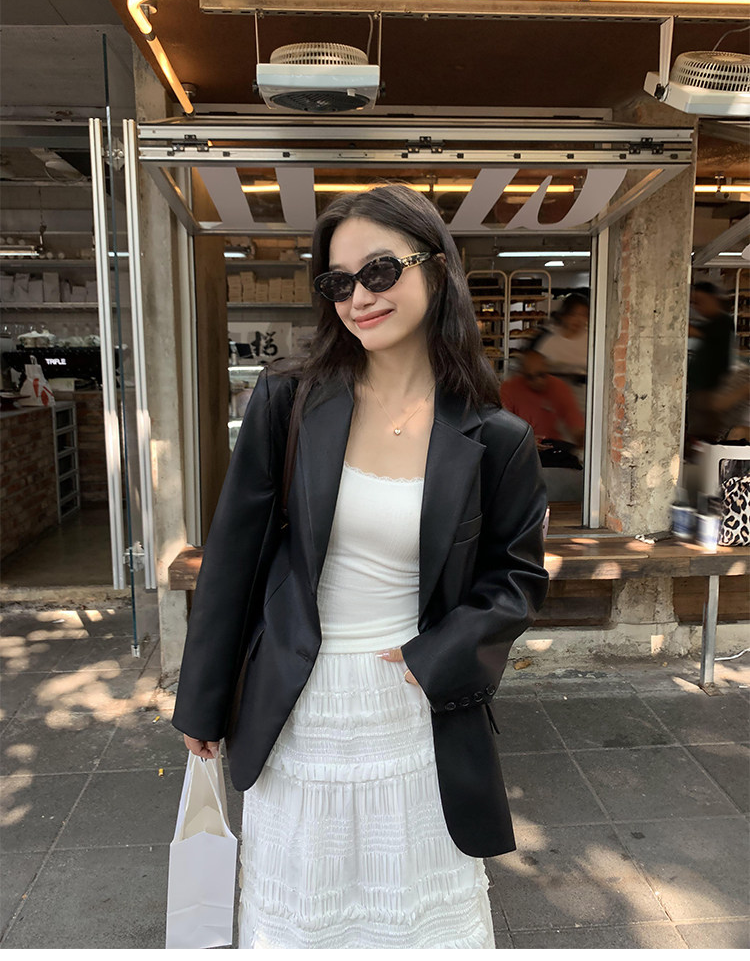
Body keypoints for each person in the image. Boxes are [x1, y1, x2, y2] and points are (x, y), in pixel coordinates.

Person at [171, 184, 549, 949]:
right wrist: (201, 704)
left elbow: (517, 578)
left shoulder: (496, 436)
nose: (359, 298)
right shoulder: (290, 400)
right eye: (338, 282)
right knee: (302, 923)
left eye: (379, 271)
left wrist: (435, 657)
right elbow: (234, 558)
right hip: (297, 708)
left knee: (415, 926)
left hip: (414, 714)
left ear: (435, 269)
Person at [501, 350, 585, 460]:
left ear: (547, 370)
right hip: (521, 450)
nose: (538, 381)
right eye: (530, 377)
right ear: (523, 374)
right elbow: (504, 431)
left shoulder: (559, 387)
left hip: (551, 449)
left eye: (541, 375)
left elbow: (575, 426)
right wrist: (525, 442)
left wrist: (585, 439)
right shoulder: (509, 389)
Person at [687, 281, 736, 441]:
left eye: (700, 301)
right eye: (694, 303)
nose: (697, 307)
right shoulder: (712, 323)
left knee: (706, 435)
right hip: (701, 390)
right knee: (697, 433)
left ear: (713, 298)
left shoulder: (723, 321)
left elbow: (691, 331)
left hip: (712, 391)